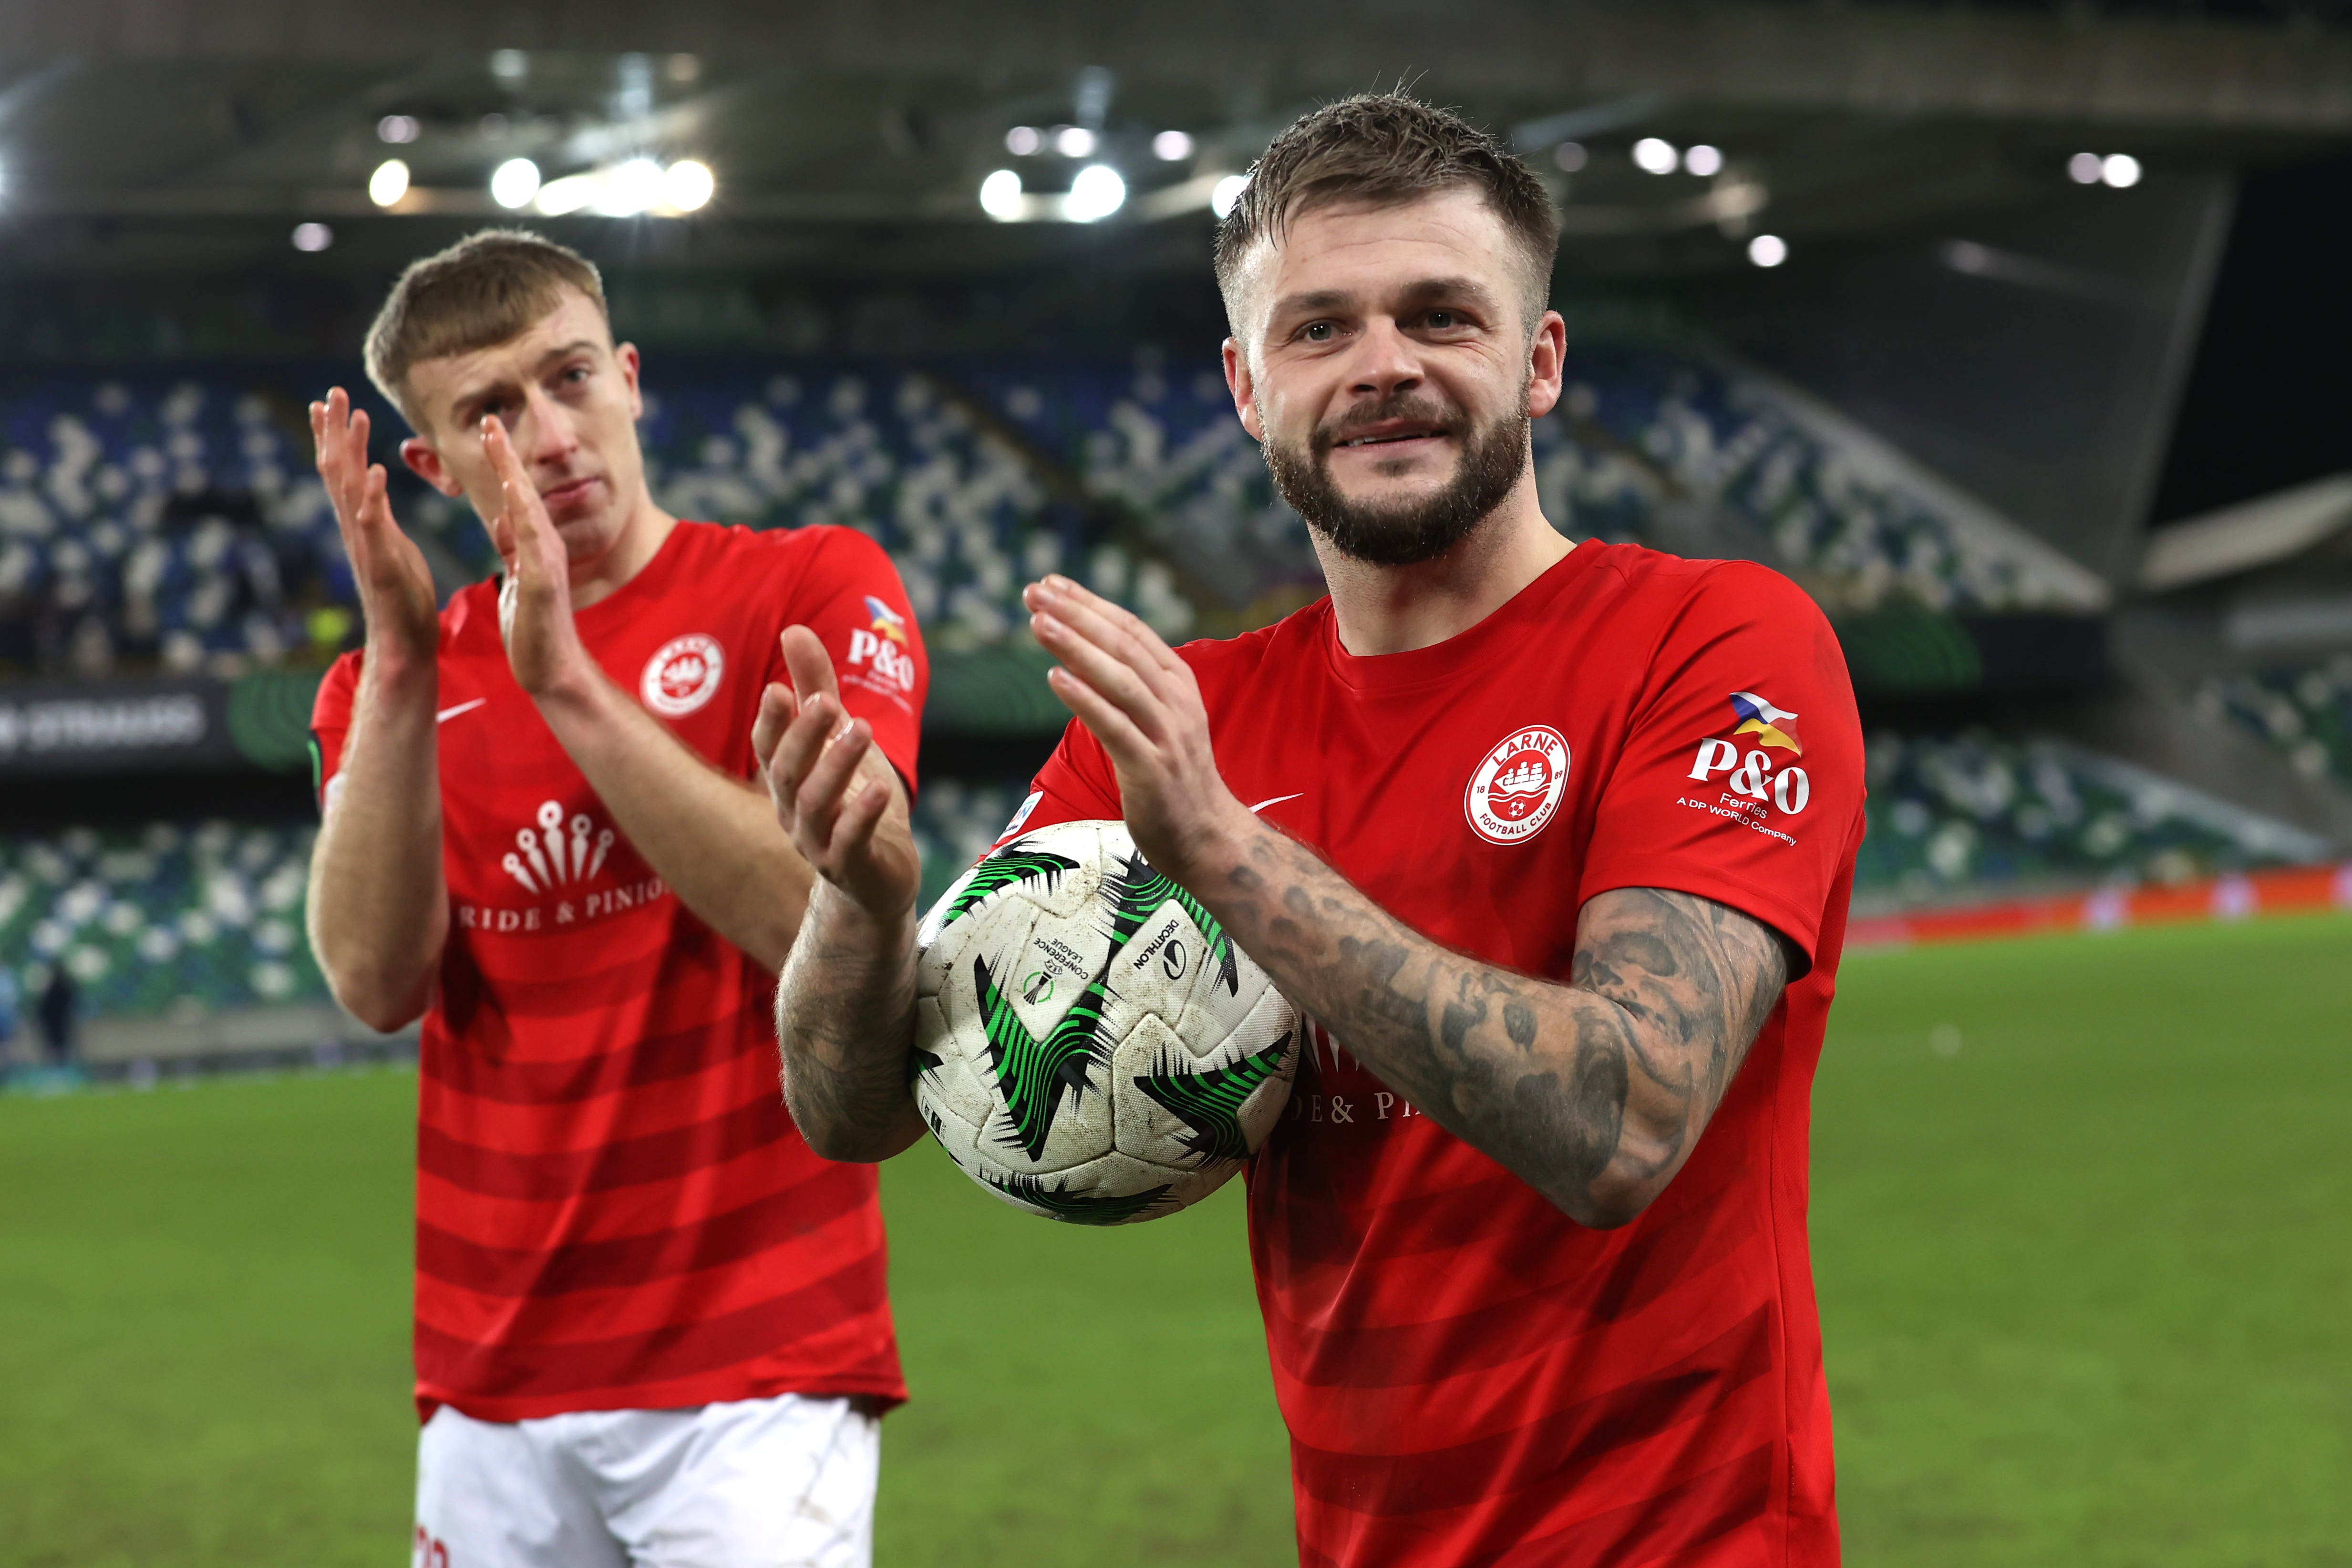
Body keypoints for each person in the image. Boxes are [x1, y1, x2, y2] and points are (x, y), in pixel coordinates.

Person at [761, 97, 1862, 1566]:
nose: (1383, 367)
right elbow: (857, 1111)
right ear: (1243, 385)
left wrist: (1225, 853)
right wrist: (860, 898)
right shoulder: (1182, 714)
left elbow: (1622, 1127)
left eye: (1441, 317)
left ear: (1537, 364)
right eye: (1319, 328)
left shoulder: (1712, 642)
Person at [307, 230, 927, 1568]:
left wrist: (571, 685)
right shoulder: (380, 693)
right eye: (489, 410)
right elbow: (372, 981)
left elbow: (825, 914)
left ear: (630, 378)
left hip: (760, 1368)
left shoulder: (806, 589)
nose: (546, 433)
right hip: (490, 1380)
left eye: (570, 377)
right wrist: (408, 670)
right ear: (431, 465)